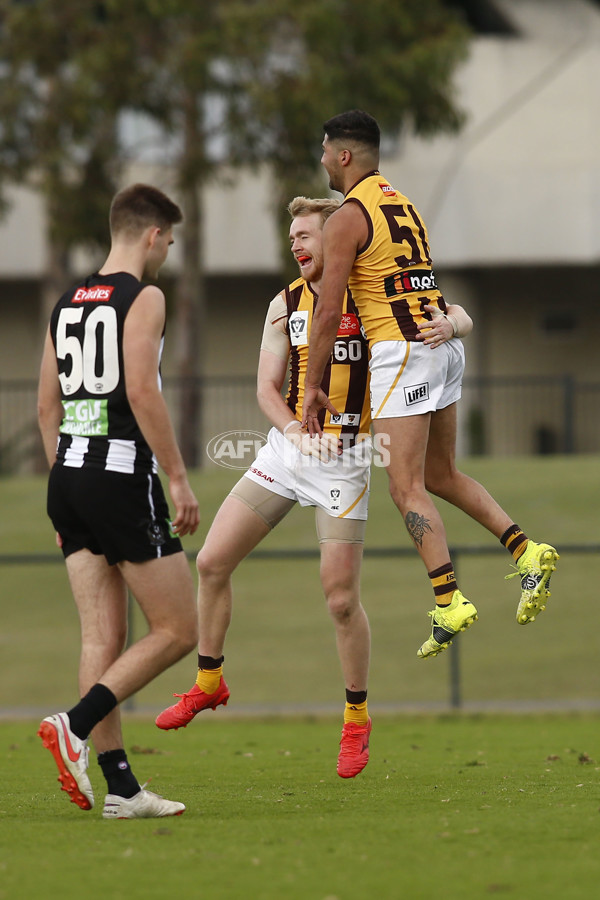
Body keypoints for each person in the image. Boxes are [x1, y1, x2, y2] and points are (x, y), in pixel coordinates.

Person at [156, 197, 472, 778]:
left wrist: (455, 322)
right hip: (289, 452)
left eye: (307, 236)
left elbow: (453, 314)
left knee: (340, 599)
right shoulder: (284, 304)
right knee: (211, 561)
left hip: (348, 462)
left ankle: (356, 720)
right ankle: (208, 681)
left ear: (337, 240)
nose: (297, 246)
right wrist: (297, 435)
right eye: (292, 237)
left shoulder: (374, 295)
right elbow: (266, 390)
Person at [301, 110, 559, 659]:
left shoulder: (347, 217)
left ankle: (448, 598)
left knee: (404, 485)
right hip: (441, 347)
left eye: (325, 149)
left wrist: (310, 387)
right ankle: (525, 550)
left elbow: (327, 310)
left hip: (402, 352)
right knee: (440, 474)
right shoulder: (404, 203)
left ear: (344, 155)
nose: (322, 158)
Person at [37, 183, 199, 818]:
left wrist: (64, 487)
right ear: (153, 234)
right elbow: (141, 389)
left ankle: (122, 790)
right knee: (179, 629)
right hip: (122, 476)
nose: (166, 253)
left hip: (69, 478)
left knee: (101, 638)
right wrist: (179, 478)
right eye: (169, 241)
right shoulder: (146, 296)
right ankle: (73, 726)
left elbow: (48, 407)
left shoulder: (67, 301)